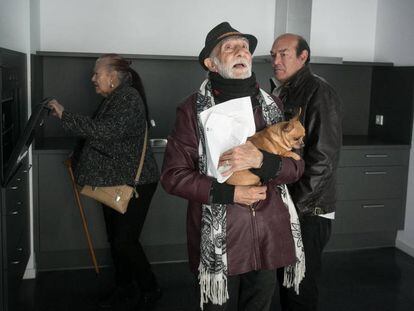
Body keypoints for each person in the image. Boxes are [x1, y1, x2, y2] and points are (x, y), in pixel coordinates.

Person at [161, 22, 304, 311]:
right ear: (211, 63)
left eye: (245, 48)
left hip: (269, 231)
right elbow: (173, 176)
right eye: (230, 47)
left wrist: (262, 160)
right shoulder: (191, 110)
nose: (241, 52)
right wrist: (231, 194)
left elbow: (296, 170)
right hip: (222, 238)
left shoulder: (273, 106)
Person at [48, 54, 161, 310]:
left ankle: (150, 289)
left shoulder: (128, 98)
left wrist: (65, 114)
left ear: (112, 76)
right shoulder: (116, 98)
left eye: (96, 74)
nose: (92, 79)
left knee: (124, 241)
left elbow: (106, 131)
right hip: (116, 180)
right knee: (116, 240)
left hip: (135, 183)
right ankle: (125, 288)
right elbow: (102, 135)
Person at [270, 34, 342, 311]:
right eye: (273, 54)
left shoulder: (319, 91)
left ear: (304, 56)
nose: (276, 60)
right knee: (287, 280)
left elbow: (323, 160)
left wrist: (296, 207)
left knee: (299, 285)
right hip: (289, 206)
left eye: (284, 54)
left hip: (308, 210)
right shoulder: (282, 91)